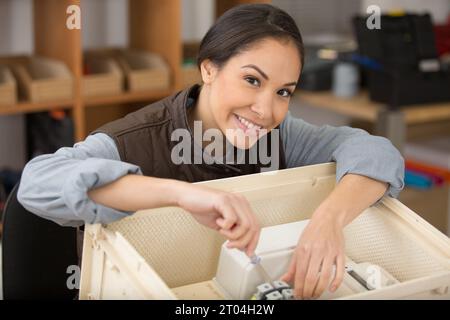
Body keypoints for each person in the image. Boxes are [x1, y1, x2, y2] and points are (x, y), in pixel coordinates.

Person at [18, 4, 404, 299]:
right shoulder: (130, 141)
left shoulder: (283, 135)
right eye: (251, 80)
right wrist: (182, 194)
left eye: (283, 91)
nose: (266, 111)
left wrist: (328, 221)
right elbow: (36, 184)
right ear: (208, 69)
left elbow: (375, 152)